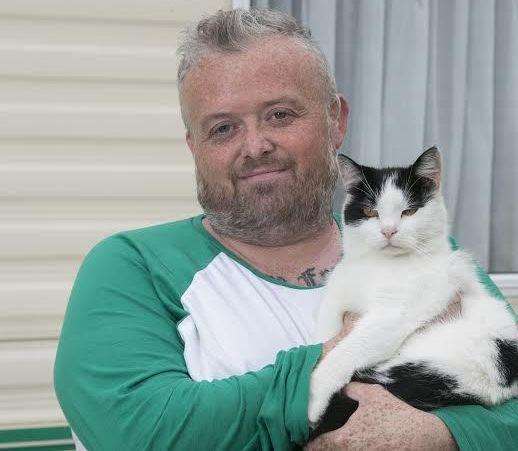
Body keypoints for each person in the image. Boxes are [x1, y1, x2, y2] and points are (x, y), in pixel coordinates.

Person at [54, 8, 518, 450]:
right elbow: (137, 431)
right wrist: (336, 358)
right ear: (193, 146)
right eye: (222, 128)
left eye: (280, 115)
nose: (255, 146)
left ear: (336, 122)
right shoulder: (133, 267)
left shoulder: (422, 251)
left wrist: (436, 435)